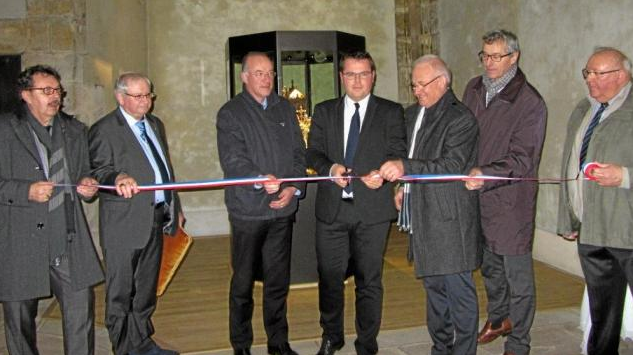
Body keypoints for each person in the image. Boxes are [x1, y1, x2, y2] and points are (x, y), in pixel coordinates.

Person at [379, 54, 481, 355]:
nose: (417, 90)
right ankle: (440, 348)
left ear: (442, 82)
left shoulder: (460, 118)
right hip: (422, 216)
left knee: (458, 293)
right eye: (414, 84)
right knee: (434, 292)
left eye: (422, 84)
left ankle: (464, 350)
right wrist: (403, 186)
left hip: (450, 221)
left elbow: (450, 165)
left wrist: (404, 168)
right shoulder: (412, 115)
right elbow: (409, 158)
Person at [306, 51, 407, 355]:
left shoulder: (391, 111)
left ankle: (367, 342)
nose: (357, 80)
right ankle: (331, 335)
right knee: (329, 278)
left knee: (369, 281)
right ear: (341, 77)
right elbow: (313, 153)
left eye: (363, 73)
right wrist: (331, 169)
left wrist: (384, 172)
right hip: (331, 211)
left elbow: (398, 151)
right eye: (350, 74)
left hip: (373, 209)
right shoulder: (324, 111)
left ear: (373, 76)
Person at [0, 65, 103, 355]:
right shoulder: (5, 129)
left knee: (81, 312)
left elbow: (84, 171)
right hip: (20, 242)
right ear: (25, 95)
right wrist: (25, 191)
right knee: (19, 322)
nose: (54, 96)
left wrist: (87, 183)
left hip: (67, 240)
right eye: (46, 91)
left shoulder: (75, 130)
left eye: (57, 90)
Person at [463, 29, 547, 355]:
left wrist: (485, 173)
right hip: (476, 196)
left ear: (514, 57)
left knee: (518, 278)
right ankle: (499, 318)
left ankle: (519, 341)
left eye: (497, 56)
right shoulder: (473, 88)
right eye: (485, 55)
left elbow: (523, 159)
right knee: (489, 266)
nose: (489, 62)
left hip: (511, 201)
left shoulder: (530, 102)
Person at [216, 52, 306, 355]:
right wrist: (258, 178)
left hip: (283, 210)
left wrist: (292, 186)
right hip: (248, 211)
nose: (266, 79)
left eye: (270, 73)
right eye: (259, 73)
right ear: (244, 77)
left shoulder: (284, 107)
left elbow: (298, 152)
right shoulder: (230, 113)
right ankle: (241, 346)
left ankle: (278, 344)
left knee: (277, 283)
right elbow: (232, 159)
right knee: (242, 284)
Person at [89, 73, 183, 355]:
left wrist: (174, 205)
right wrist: (117, 176)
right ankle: (123, 348)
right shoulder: (104, 129)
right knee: (120, 293)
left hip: (155, 217)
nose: (146, 102)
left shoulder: (155, 124)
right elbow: (97, 171)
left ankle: (142, 343)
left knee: (145, 290)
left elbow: (164, 170)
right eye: (139, 96)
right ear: (120, 97)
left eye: (148, 95)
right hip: (123, 224)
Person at [557, 47, 633, 355]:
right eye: (587, 73)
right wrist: (569, 217)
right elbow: (569, 164)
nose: (590, 80)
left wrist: (625, 176)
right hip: (592, 231)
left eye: (598, 74)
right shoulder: (584, 109)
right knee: (603, 316)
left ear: (622, 75)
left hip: (627, 229)